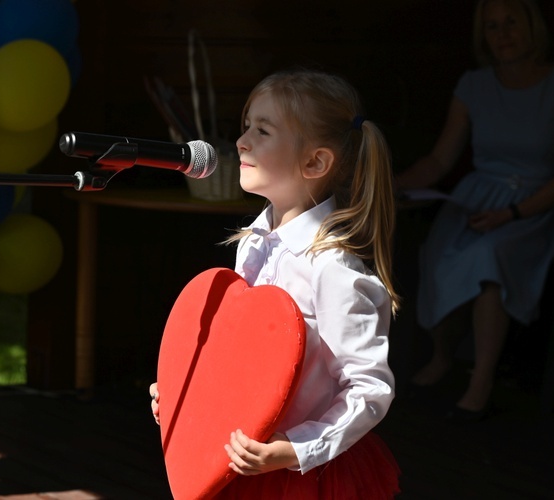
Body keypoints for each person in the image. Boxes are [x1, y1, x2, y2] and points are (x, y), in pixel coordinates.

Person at [150, 68, 400, 498]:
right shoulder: (253, 244)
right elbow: (235, 358)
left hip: (299, 475)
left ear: (315, 162)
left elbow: (368, 388)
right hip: (238, 462)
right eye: (247, 127)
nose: (242, 141)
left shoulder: (334, 269)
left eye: (262, 131)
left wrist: (293, 449)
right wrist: (183, 391)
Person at [395, 0, 554, 421]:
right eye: (491, 27)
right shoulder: (474, 86)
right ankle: (443, 353)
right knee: (438, 253)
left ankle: (481, 378)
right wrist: (389, 183)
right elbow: (439, 161)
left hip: (534, 205)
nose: (502, 34)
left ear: (533, 25)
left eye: (511, 23)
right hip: (475, 199)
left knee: (488, 259)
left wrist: (515, 213)